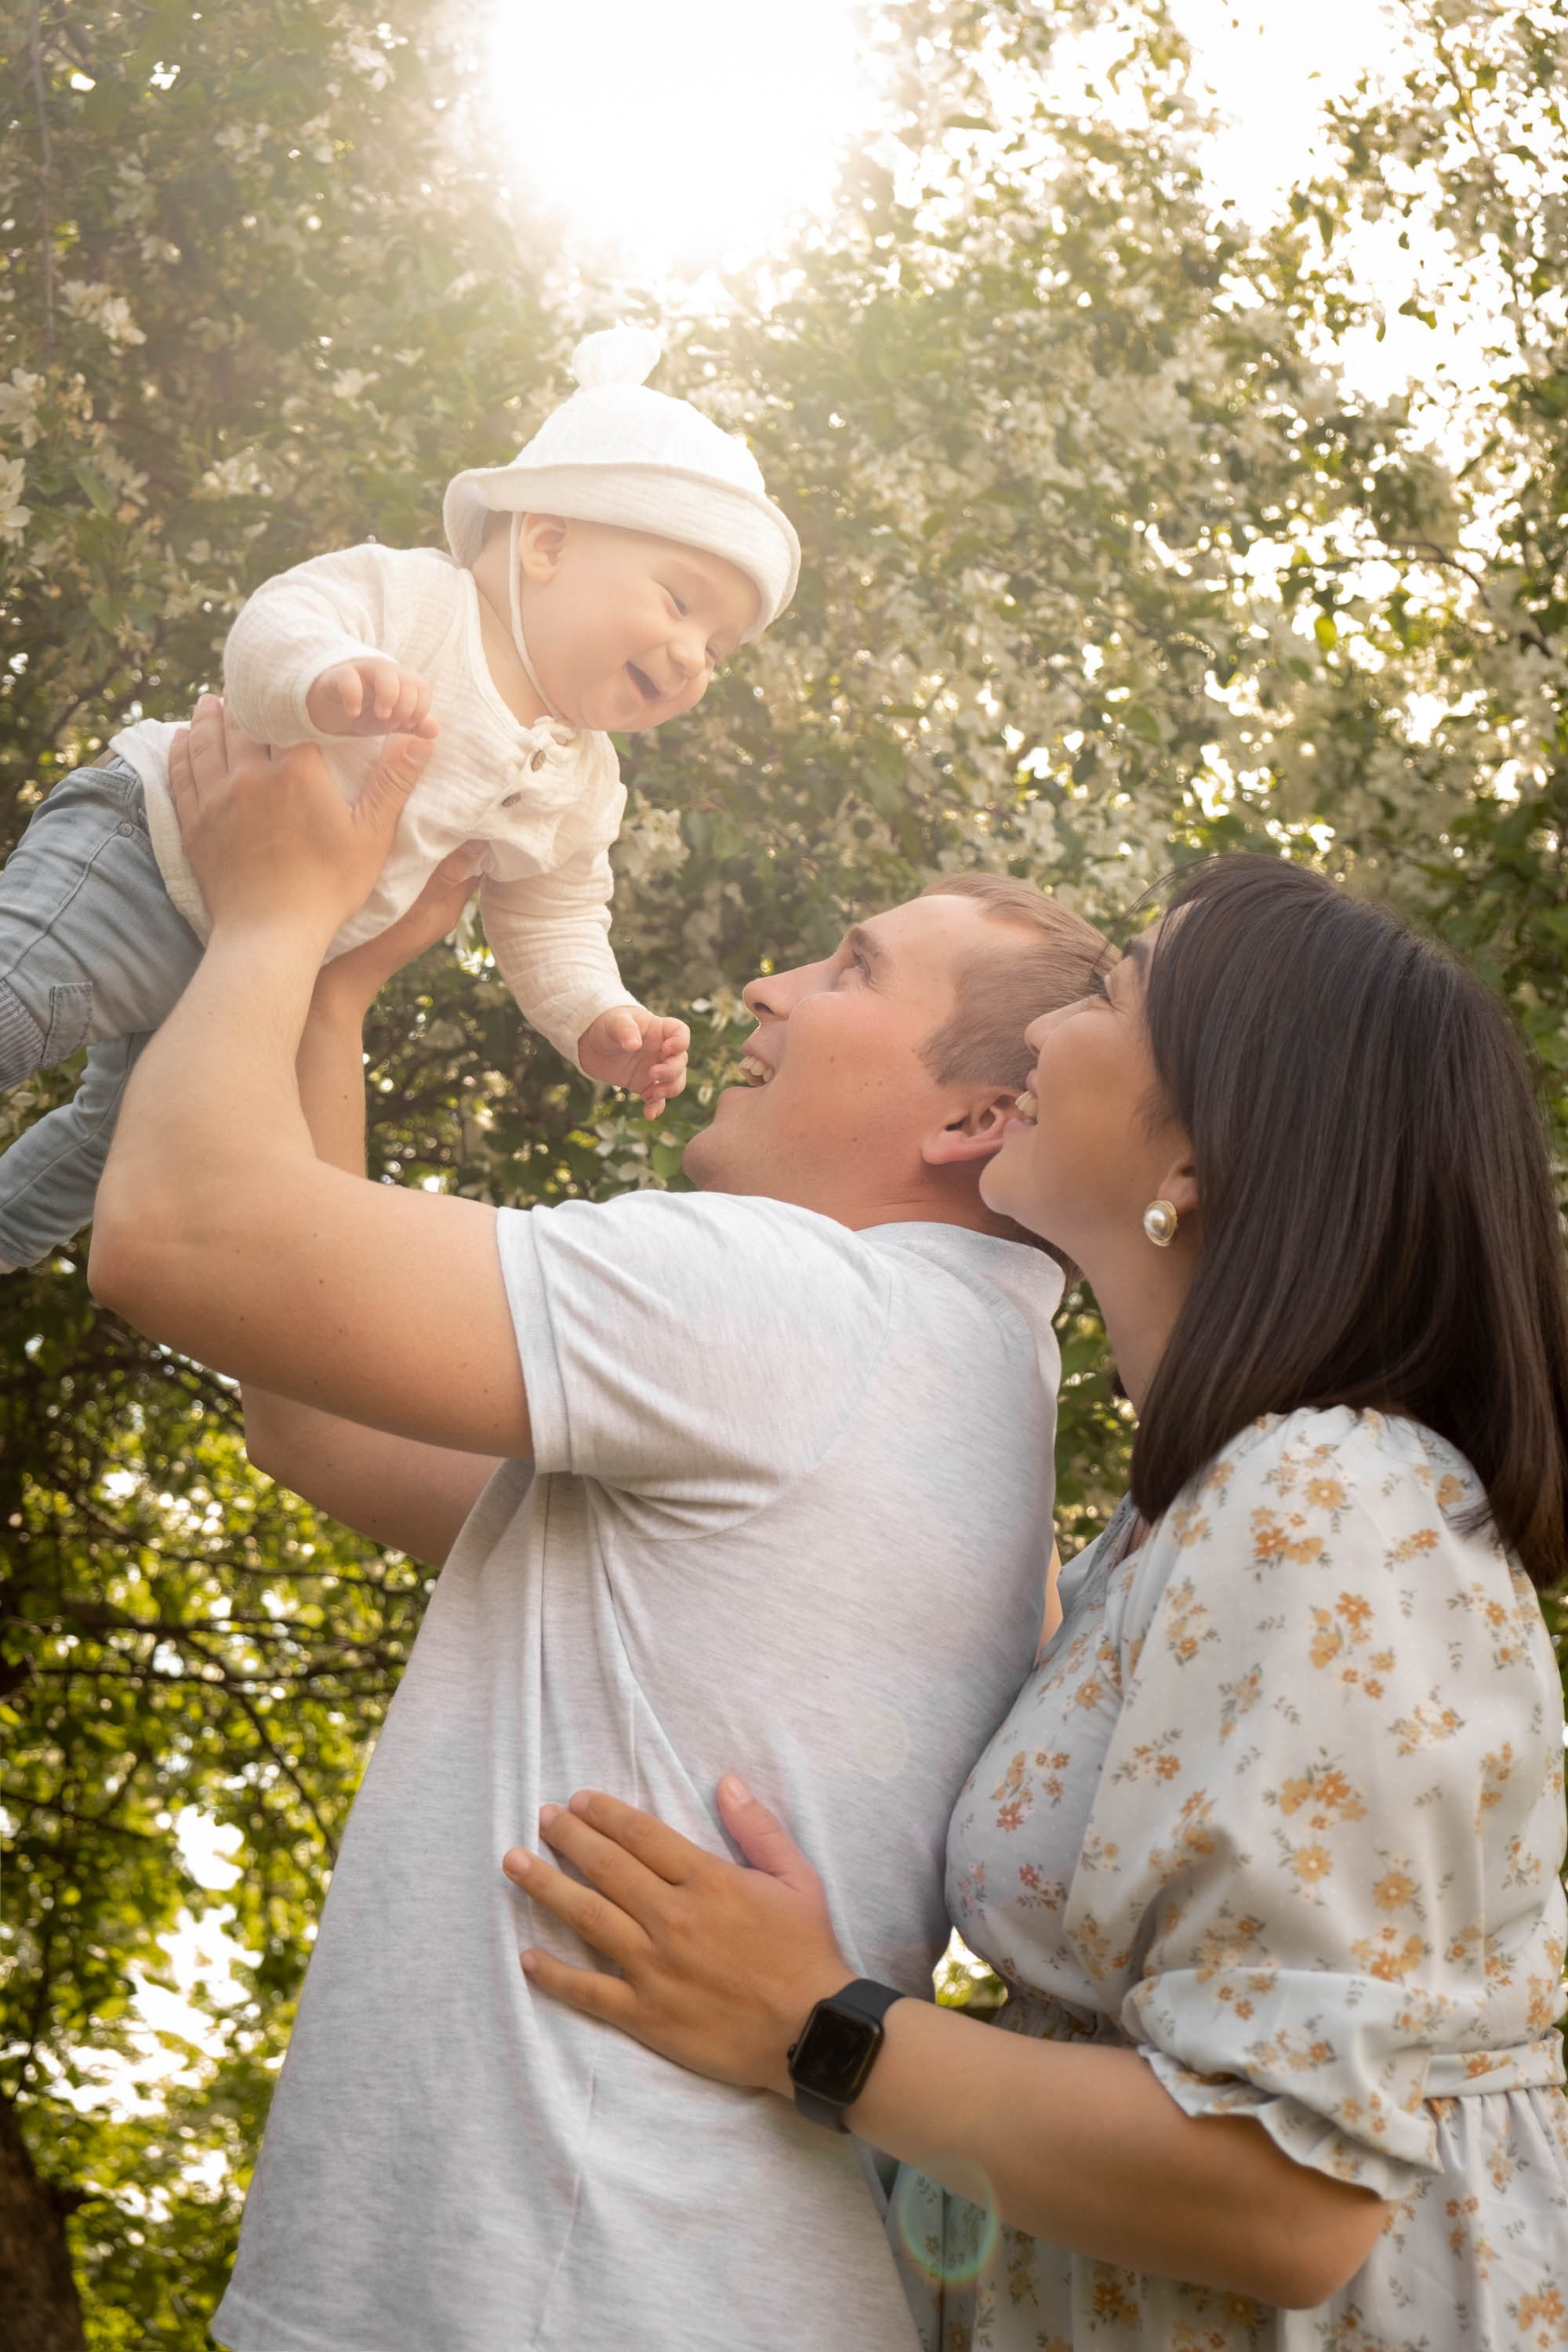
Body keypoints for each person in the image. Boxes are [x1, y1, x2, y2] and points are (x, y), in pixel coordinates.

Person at [85, 698, 1111, 2352]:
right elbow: (318, 1421)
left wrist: (274, 906)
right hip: (616, 2279)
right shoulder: (941, 1370)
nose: (768, 988)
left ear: (971, 1121)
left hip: (570, 2292)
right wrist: (340, 989)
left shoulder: (803, 1308)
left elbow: (175, 1237)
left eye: (848, 971)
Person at [500, 854, 1568, 2351]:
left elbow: (1291, 2195)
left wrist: (817, 2026)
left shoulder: (1328, 1496)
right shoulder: (1179, 1519)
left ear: (1192, 1155)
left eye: (1113, 992)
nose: (1054, 1029)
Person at [0, 324, 797, 1270]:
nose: (690, 656)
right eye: (678, 602)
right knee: (21, 999)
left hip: (251, 973)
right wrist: (324, 675)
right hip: (148, 853)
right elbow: (276, 621)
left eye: (717, 650)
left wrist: (595, 1013)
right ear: (544, 542)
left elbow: (554, 916)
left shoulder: (585, 781)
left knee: (108, 1151)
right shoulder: (419, 601)